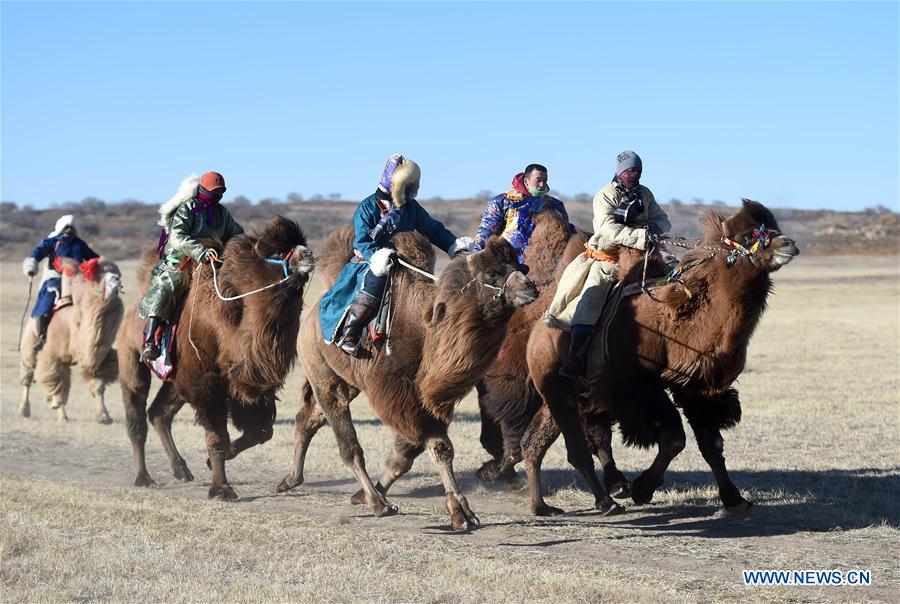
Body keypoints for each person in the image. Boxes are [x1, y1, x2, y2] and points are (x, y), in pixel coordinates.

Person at [321, 153, 476, 355]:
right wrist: (380, 256)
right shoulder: (367, 207)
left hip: (405, 262)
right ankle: (350, 332)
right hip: (370, 262)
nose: (414, 188)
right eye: (410, 184)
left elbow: (432, 229)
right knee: (376, 281)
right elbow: (361, 240)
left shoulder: (411, 208)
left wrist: (453, 245)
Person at [546, 150, 671, 378]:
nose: (635, 175)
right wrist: (640, 235)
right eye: (631, 170)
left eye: (639, 171)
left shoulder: (645, 194)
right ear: (621, 171)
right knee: (590, 301)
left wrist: (654, 228)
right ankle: (576, 358)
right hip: (609, 259)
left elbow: (663, 219)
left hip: (645, 256)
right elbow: (608, 230)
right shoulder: (605, 195)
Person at [138, 171, 244, 362]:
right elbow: (177, 236)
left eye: (220, 191)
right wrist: (200, 251)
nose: (217, 195)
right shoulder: (189, 207)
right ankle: (150, 342)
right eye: (214, 191)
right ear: (203, 189)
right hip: (183, 260)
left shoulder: (222, 213)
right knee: (167, 285)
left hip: (215, 260)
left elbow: (236, 234)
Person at [22, 215, 98, 352]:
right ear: (61, 228)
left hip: (77, 280)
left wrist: (101, 268)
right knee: (47, 299)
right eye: (66, 227)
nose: (69, 230)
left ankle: (95, 335)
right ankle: (41, 335)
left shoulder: (79, 244)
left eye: (71, 227)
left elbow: (93, 258)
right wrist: (31, 263)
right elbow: (37, 252)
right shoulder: (52, 242)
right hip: (56, 279)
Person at [473, 164, 574, 264]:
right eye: (538, 180)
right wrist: (477, 260)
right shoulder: (502, 202)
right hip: (508, 264)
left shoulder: (555, 206)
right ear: (526, 181)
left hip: (545, 263)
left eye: (545, 180)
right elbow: (485, 234)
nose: (542, 185)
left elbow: (565, 234)